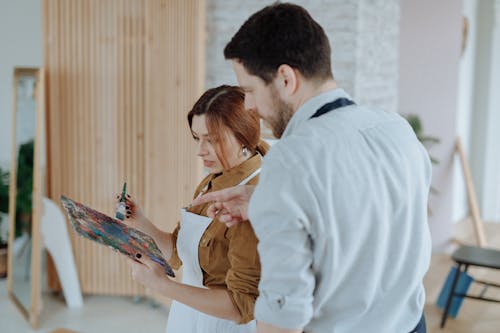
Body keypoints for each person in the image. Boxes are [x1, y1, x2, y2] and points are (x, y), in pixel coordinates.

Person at [191, 3, 431, 333]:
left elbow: (282, 314)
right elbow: (366, 223)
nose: (249, 106)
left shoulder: (289, 160)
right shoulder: (396, 129)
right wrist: (264, 202)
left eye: (249, 91)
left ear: (286, 78)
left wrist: (277, 196)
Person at [120, 85, 269, 332]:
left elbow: (242, 305)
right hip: (187, 317)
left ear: (243, 137)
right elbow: (181, 253)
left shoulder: (251, 201)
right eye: (197, 138)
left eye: (212, 140)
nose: (200, 151)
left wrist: (161, 286)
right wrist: (140, 221)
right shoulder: (213, 179)